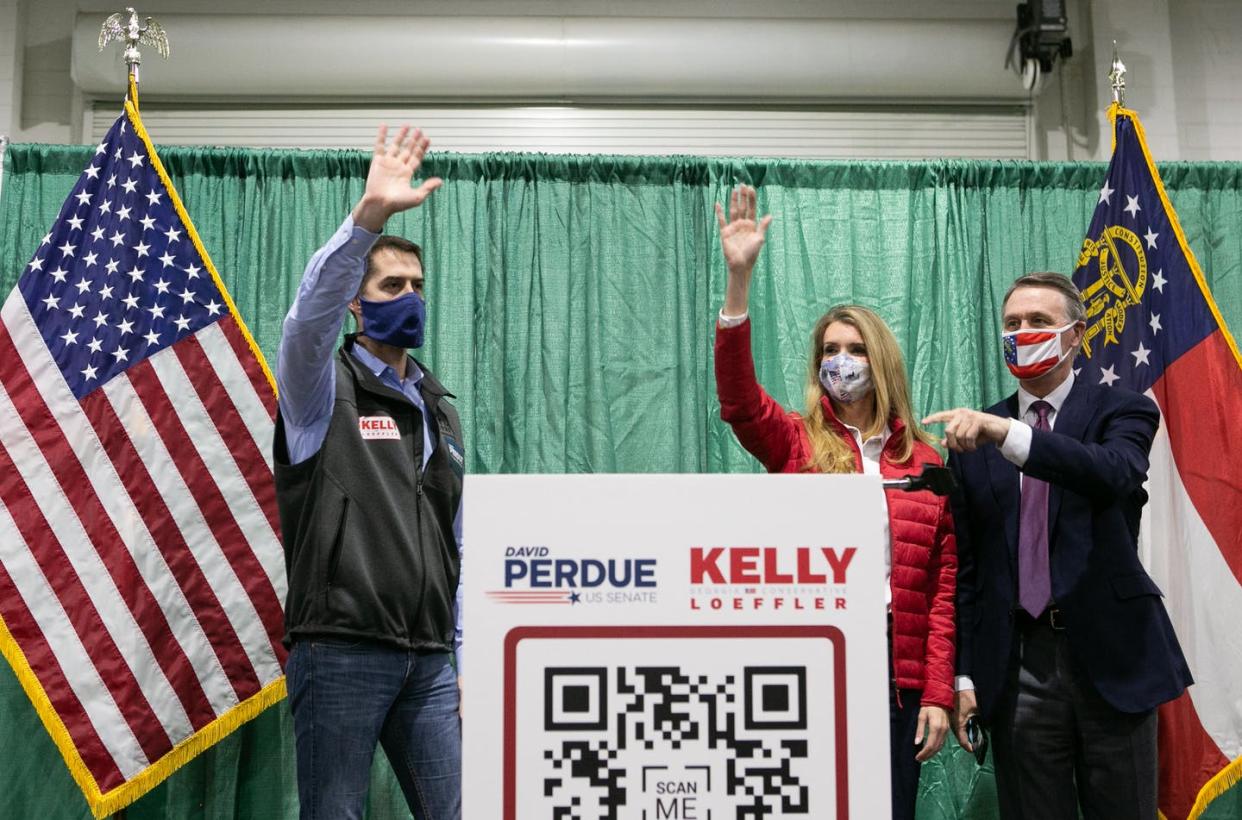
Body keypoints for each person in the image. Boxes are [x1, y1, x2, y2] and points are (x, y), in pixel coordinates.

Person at [712, 184, 956, 820]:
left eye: (853, 350)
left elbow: (940, 590)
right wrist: (738, 284)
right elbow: (739, 403)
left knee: (889, 807)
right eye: (829, 350)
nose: (840, 361)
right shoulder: (794, 440)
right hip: (809, 658)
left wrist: (935, 691)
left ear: (880, 363)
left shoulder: (926, 464)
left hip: (891, 666)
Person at [925, 271, 1192, 820]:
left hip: (1113, 660)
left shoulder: (1121, 408)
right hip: (1018, 664)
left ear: (1076, 335)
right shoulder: (974, 435)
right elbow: (969, 571)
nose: (1022, 332)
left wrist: (1009, 436)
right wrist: (965, 674)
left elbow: (1114, 472)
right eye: (1012, 323)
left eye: (1039, 322)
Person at [273, 124, 465, 820]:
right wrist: (369, 219)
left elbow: (455, 542)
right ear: (359, 300)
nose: (410, 294)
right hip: (342, 651)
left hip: (429, 662)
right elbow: (305, 322)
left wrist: (458, 655)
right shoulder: (320, 387)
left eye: (418, 284)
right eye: (392, 284)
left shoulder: (440, 409)